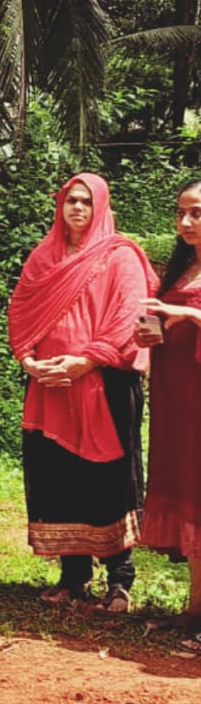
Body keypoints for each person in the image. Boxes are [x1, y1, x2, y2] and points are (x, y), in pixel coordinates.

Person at [9, 173, 157, 612]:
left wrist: (86, 361)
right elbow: (21, 310)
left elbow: (129, 316)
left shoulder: (120, 256)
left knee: (108, 479)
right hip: (50, 387)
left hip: (105, 385)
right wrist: (28, 360)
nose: (77, 208)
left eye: (86, 202)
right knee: (59, 476)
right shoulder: (44, 256)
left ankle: (119, 580)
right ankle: (73, 576)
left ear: (101, 207)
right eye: (70, 200)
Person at [136, 179, 201, 647]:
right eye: (181, 213)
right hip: (177, 401)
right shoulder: (181, 269)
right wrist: (150, 333)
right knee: (190, 496)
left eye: (197, 213)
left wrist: (192, 317)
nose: (185, 222)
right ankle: (195, 609)